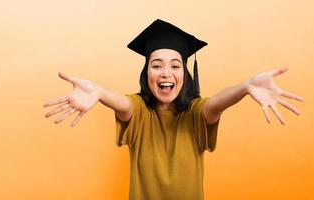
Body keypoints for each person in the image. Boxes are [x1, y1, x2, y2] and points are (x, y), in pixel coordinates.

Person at [43, 19, 304, 200]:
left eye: (175, 65)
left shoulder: (195, 113)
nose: (166, 73)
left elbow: (215, 104)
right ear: (146, 73)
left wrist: (245, 87)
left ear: (184, 73)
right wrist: (99, 92)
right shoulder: (139, 112)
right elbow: (122, 104)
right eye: (156, 65)